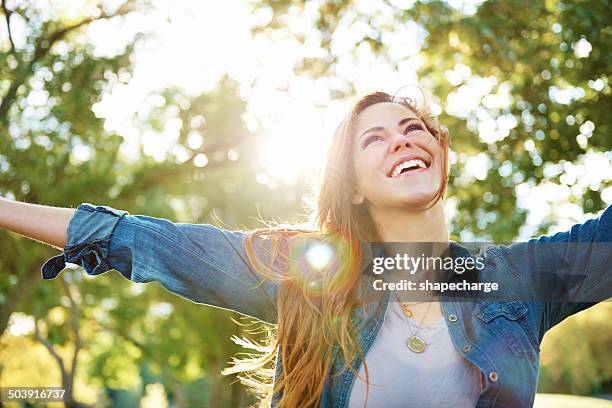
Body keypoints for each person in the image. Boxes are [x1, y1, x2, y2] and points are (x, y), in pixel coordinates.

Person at [1, 90, 610, 408]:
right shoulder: (309, 277)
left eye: (413, 129)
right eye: (375, 138)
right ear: (353, 187)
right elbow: (138, 236)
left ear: (440, 154)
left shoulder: (523, 277)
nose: (402, 141)